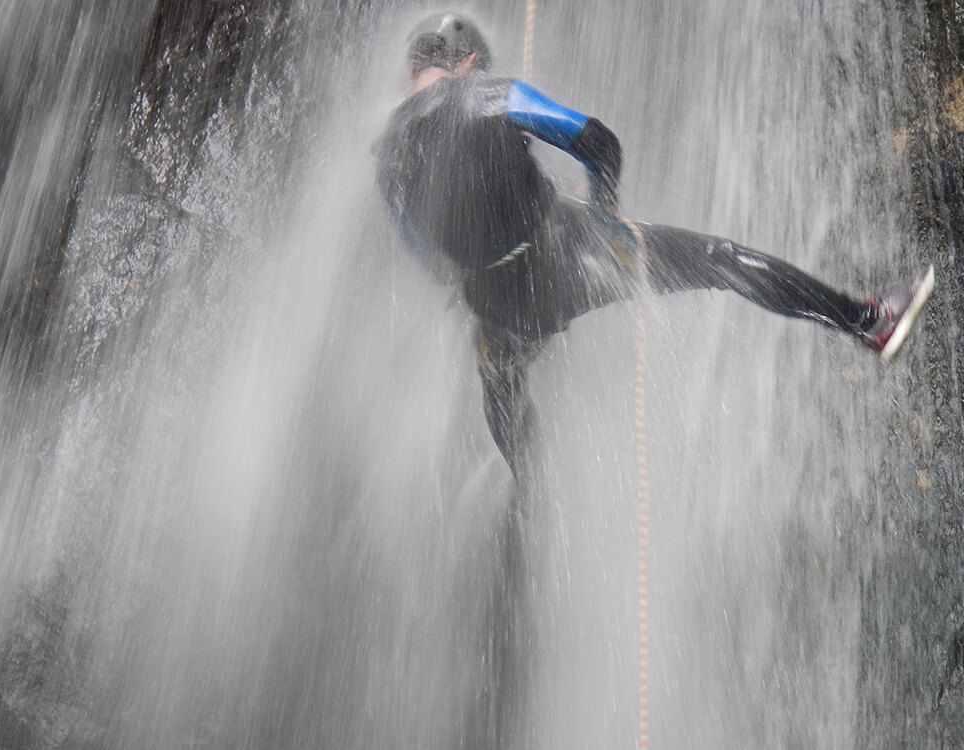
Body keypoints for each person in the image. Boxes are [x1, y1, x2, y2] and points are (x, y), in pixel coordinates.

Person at [373, 12, 935, 479]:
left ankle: (531, 500)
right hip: (568, 262)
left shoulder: (387, 159)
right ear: (467, 62)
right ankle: (868, 321)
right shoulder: (491, 94)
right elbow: (596, 141)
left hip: (497, 305)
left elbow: (426, 255)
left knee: (501, 391)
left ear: (415, 72)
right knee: (717, 261)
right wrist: (601, 204)